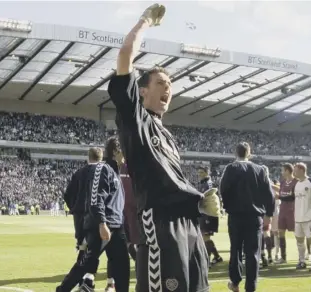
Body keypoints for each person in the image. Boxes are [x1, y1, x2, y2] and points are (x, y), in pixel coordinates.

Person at [107, 4, 211, 292]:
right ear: (142, 91)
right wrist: (145, 22)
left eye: (170, 84)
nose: (168, 88)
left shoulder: (167, 136)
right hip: (161, 223)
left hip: (188, 225)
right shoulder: (134, 119)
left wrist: (200, 203)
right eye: (161, 82)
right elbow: (125, 55)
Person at [57, 147, 130, 292]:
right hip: (103, 225)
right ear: (115, 152)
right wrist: (101, 222)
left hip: (116, 225)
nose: (125, 156)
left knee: (122, 265)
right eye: (122, 151)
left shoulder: (115, 171)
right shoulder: (103, 169)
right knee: (85, 263)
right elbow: (96, 198)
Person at [219, 142, 275, 292]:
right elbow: (269, 194)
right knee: (253, 253)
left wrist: (227, 206)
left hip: (236, 216)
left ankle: (235, 283)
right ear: (249, 153)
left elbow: (223, 189)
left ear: (235, 153)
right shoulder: (260, 170)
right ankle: (251, 287)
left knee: (235, 249)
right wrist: (269, 213)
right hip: (254, 216)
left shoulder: (231, 168)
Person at [104, 137, 139, 292]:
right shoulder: (109, 169)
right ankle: (110, 282)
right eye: (119, 152)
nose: (121, 154)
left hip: (131, 217)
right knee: (115, 252)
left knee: (132, 250)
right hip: (116, 217)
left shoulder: (129, 169)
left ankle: (140, 278)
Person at [197, 165, 223, 267]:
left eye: (202, 173)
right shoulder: (203, 183)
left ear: (207, 173)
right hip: (205, 213)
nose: (200, 175)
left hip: (208, 213)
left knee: (205, 237)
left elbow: (203, 198)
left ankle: (207, 261)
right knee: (204, 237)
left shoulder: (208, 184)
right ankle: (216, 257)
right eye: (199, 173)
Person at [275, 163, 298, 264]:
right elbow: (280, 192)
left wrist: (279, 197)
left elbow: (292, 197)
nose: (282, 172)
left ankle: (302, 256)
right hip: (282, 211)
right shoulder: (283, 182)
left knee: (298, 234)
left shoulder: (296, 182)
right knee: (281, 232)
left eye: (283, 170)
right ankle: (283, 257)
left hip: (292, 211)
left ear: (288, 171)